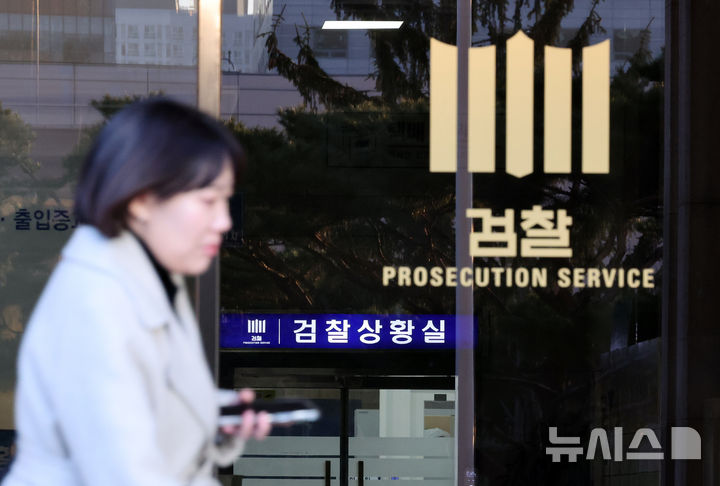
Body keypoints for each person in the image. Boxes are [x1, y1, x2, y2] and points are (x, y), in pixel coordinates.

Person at [2, 98, 271, 486]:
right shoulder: (95, 303)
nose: (224, 221)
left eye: (226, 201)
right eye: (209, 200)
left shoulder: (150, 281)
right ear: (142, 200)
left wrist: (213, 421)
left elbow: (144, 415)